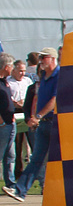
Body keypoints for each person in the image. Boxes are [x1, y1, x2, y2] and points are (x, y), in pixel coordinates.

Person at [15, 47, 59, 200]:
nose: (41, 61)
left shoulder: (58, 75)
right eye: (40, 58)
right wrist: (34, 118)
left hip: (55, 123)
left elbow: (54, 100)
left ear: (53, 58)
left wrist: (38, 116)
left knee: (61, 159)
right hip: (43, 123)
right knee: (36, 158)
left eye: (44, 57)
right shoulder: (43, 77)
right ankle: (20, 190)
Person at [6, 55, 30, 191]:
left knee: (31, 143)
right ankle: (18, 173)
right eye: (20, 70)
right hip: (15, 112)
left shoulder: (27, 81)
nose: (22, 73)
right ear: (14, 70)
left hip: (26, 112)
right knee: (17, 144)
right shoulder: (9, 82)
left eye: (23, 70)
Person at [0, 55, 17, 199]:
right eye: (11, 66)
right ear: (6, 67)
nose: (12, 69)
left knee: (10, 155)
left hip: (10, 123)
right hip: (3, 125)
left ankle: (10, 184)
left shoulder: (5, 82)